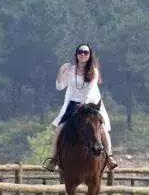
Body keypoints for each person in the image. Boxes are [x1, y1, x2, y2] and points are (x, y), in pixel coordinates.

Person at [47, 43, 117, 171]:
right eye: (80, 52)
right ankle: (54, 159)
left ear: (90, 55)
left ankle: (109, 157)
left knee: (102, 129)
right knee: (60, 128)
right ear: (76, 54)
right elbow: (59, 87)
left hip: (91, 104)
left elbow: (90, 91)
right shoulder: (70, 70)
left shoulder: (94, 71)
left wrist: (84, 105)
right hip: (73, 104)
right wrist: (61, 72)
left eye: (86, 52)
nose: (83, 54)